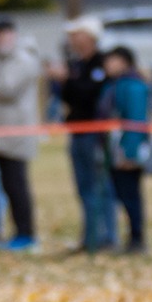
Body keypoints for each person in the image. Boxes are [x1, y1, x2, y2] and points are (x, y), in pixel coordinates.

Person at [0, 19, 42, 251]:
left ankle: (26, 234)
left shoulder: (23, 60)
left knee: (16, 185)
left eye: (3, 34)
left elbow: (5, 89)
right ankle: (16, 232)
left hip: (15, 135)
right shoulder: (1, 60)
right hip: (0, 135)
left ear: (13, 34)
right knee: (7, 185)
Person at [52, 16, 115, 252]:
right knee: (83, 187)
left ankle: (106, 236)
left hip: (95, 134)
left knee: (100, 186)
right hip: (77, 132)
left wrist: (67, 80)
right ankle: (89, 237)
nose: (71, 39)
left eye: (76, 34)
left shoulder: (101, 64)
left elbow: (90, 96)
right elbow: (70, 97)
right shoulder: (77, 64)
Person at [98, 46, 152, 254]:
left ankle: (137, 239)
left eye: (112, 60)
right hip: (113, 147)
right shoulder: (113, 85)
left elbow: (137, 120)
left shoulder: (133, 86)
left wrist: (130, 153)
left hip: (127, 149)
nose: (107, 65)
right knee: (121, 194)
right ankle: (130, 238)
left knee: (131, 196)